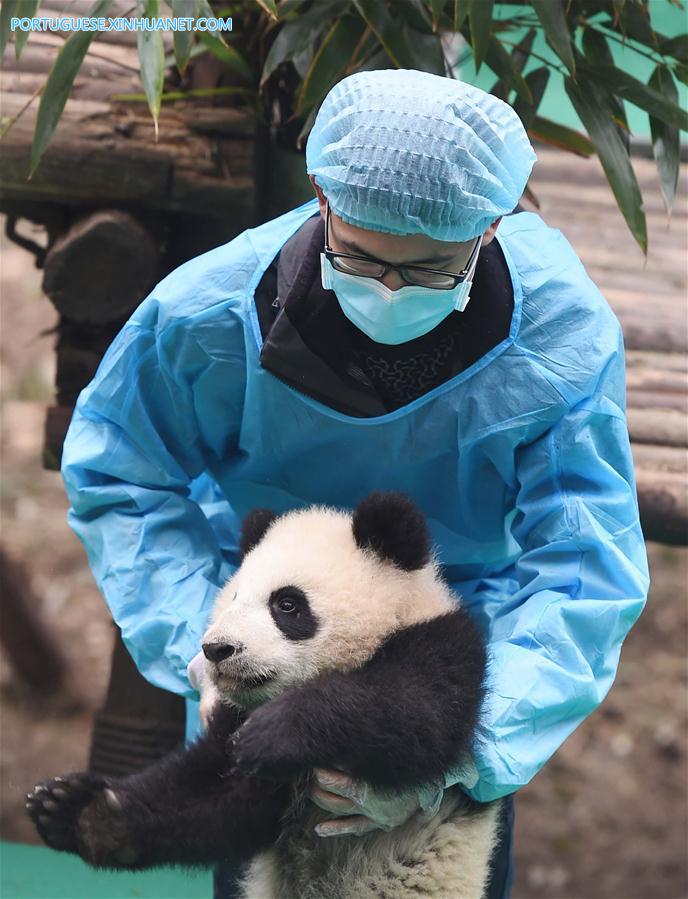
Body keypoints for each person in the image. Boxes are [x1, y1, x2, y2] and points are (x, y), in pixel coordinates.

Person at [60, 69, 650, 898]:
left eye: (432, 269)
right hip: (275, 629)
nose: (389, 291)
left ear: (492, 225)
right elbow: (121, 469)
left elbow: (583, 564)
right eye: (363, 257)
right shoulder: (210, 311)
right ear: (321, 197)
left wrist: (471, 750)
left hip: (451, 661)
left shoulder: (559, 335)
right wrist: (201, 635)